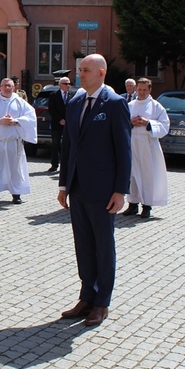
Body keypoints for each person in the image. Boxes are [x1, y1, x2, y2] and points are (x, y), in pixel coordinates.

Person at [58, 54, 131, 327]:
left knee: (103, 245)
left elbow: (124, 151)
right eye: (80, 70)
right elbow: (69, 147)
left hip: (103, 190)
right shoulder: (75, 102)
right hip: (77, 187)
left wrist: (120, 190)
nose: (81, 75)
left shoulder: (114, 104)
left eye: (86, 70)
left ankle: (102, 302)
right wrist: (64, 184)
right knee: (83, 245)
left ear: (102, 72)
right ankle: (87, 295)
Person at [0, 77, 37, 204]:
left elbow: (30, 116)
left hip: (13, 142)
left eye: (9, 86)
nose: (7, 88)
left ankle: (16, 194)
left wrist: (16, 121)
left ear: (14, 87)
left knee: (15, 168)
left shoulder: (19, 102)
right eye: (4, 85)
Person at [122, 78, 169, 219]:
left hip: (148, 145)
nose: (141, 93)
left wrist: (148, 123)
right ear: (136, 89)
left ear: (149, 90)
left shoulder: (156, 106)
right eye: (139, 89)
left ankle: (147, 205)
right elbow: (120, 123)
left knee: (147, 175)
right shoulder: (129, 105)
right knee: (132, 174)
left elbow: (165, 126)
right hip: (132, 143)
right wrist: (130, 122)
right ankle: (132, 203)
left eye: (144, 90)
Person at [47, 75, 72, 172]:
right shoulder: (53, 95)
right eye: (66, 84)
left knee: (67, 145)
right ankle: (54, 165)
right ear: (60, 85)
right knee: (55, 144)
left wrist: (68, 120)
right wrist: (60, 119)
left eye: (69, 83)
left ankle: (66, 165)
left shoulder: (72, 95)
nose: (68, 85)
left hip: (68, 124)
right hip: (57, 123)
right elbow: (51, 109)